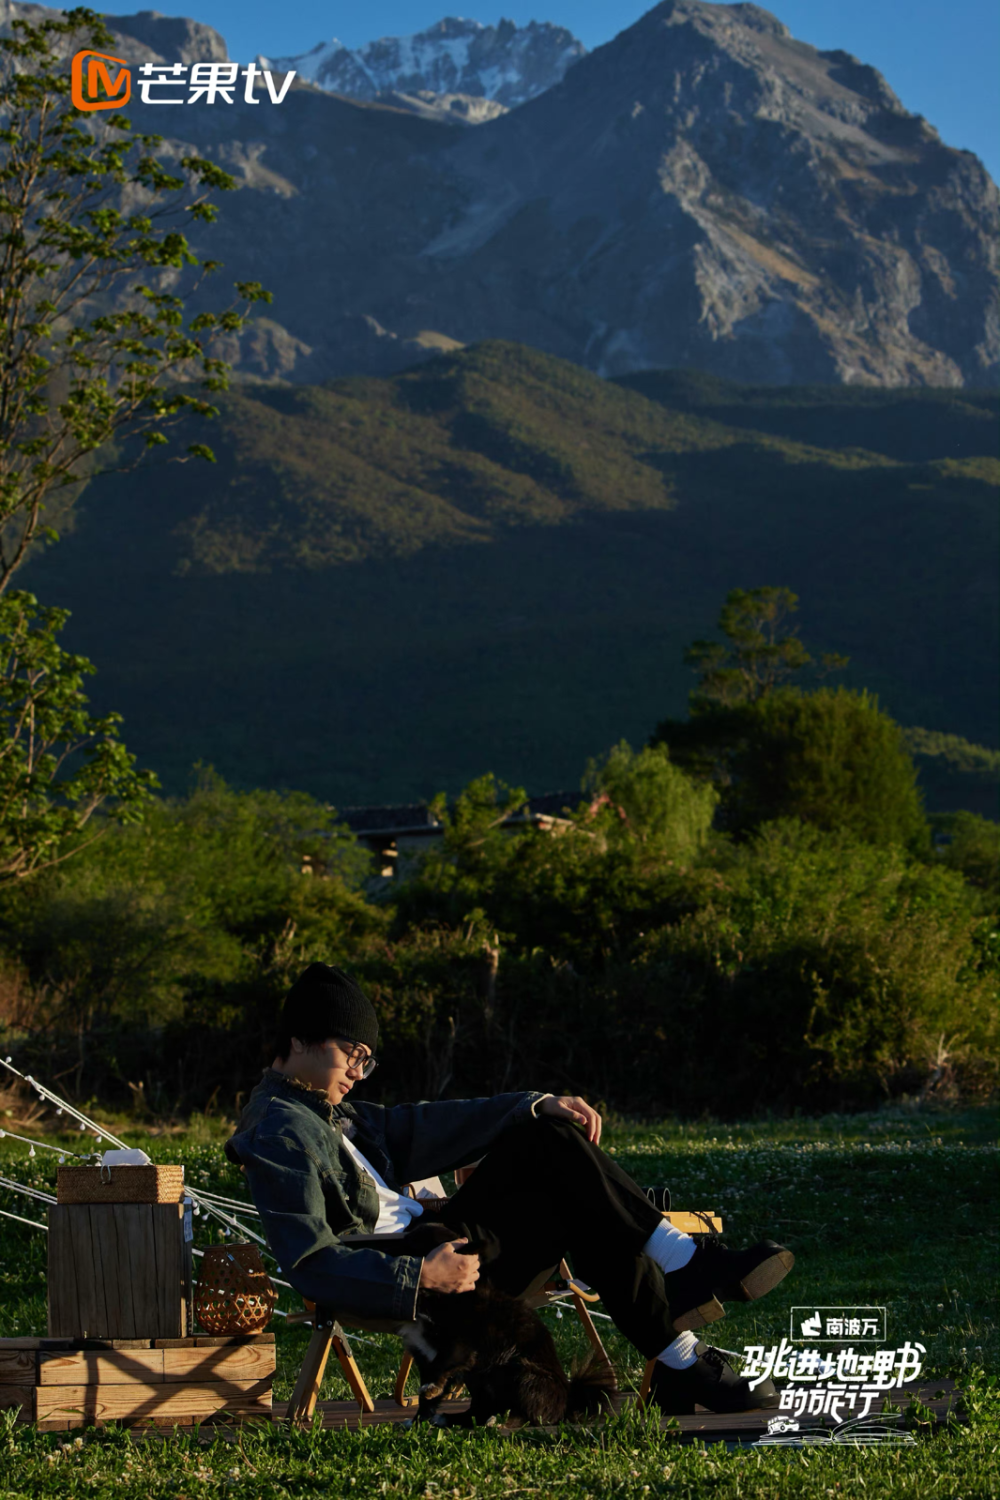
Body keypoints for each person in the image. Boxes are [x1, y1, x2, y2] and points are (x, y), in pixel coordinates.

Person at [225, 962, 793, 1415]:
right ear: (299, 1039)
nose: (358, 1070)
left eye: (366, 1060)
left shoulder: (333, 1114)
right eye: (352, 1053)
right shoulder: (279, 1130)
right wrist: (419, 1275)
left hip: (445, 1242)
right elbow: (308, 1259)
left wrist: (533, 1102)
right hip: (425, 1267)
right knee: (550, 1153)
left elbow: (425, 1124)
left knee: (557, 1159)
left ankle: (680, 1340)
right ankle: (683, 1316)